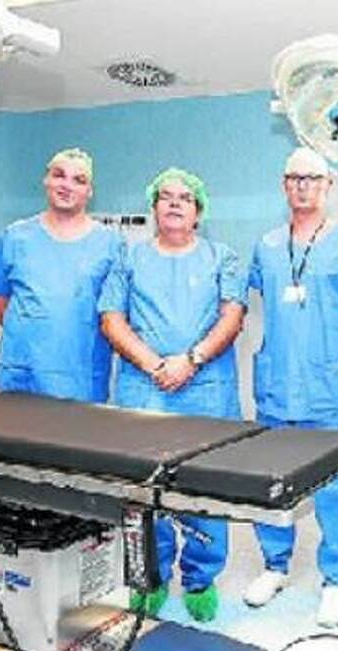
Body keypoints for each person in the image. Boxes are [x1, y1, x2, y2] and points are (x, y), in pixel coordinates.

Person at [242, 147, 338, 627]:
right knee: (270, 479)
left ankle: (337, 580)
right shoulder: (265, 245)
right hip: (276, 384)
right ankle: (274, 566)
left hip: (326, 390)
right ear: (285, 185)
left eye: (313, 179)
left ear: (328, 187)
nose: (303, 186)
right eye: (295, 178)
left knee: (335, 487)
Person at [99, 168, 246, 622]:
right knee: (145, 490)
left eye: (185, 198)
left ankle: (201, 578)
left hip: (207, 390)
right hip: (145, 389)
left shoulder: (222, 257)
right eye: (166, 197)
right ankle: (150, 576)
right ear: (154, 207)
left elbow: (232, 316)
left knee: (207, 486)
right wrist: (153, 364)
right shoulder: (130, 258)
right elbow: (111, 318)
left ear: (198, 211)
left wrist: (192, 360)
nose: (175, 203)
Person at [0, 148, 121, 403]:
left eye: (79, 180)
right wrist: (30, 337)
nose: (67, 185)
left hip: (81, 376)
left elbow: (115, 315)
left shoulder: (110, 244)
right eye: (59, 175)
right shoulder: (15, 237)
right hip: (22, 373)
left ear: (89, 191)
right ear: (46, 180)